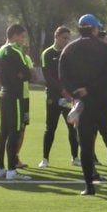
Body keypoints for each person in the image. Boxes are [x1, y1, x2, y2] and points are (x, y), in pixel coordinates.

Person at [59, 14, 107, 195]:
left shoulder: (69, 49)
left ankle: (89, 186)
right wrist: (90, 89)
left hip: (82, 105)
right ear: (94, 29)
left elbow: (63, 76)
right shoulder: (104, 48)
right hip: (101, 102)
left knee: (85, 145)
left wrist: (76, 92)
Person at [0, 24, 32, 180]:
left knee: (3, 132)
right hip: (16, 96)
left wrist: (21, 74)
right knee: (14, 132)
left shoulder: (1, 51)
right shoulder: (15, 50)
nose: (23, 40)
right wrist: (21, 74)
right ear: (15, 35)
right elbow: (28, 74)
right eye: (22, 36)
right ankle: (11, 170)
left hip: (4, 93)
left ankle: (0, 168)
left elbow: (22, 73)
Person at [38, 26, 80, 168]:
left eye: (68, 38)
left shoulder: (69, 54)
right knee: (50, 127)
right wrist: (63, 91)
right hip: (54, 95)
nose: (66, 41)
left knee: (72, 126)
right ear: (56, 37)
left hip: (68, 97)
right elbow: (48, 77)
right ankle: (45, 158)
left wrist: (71, 93)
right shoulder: (47, 53)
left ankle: (75, 157)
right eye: (64, 38)